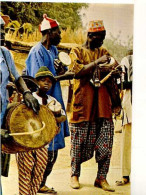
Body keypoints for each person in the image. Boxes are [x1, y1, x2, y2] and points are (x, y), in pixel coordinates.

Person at [68, 20, 120, 192]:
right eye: (100, 37)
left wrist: (114, 69)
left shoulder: (103, 51)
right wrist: (98, 63)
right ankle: (74, 175)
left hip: (103, 106)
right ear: (90, 36)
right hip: (83, 106)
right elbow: (77, 71)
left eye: (104, 37)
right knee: (78, 143)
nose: (102, 41)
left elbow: (115, 66)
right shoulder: (76, 51)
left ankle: (101, 178)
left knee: (106, 142)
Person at [25, 14, 70, 193]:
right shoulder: (37, 51)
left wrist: (61, 71)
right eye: (58, 32)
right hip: (41, 106)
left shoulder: (53, 51)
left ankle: (40, 183)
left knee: (53, 149)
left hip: (54, 103)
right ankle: (36, 184)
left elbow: (58, 70)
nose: (60, 35)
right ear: (49, 32)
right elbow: (39, 82)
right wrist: (63, 76)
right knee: (43, 149)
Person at [0, 15, 40, 194]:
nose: (2, 35)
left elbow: (16, 77)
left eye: (3, 31)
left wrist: (27, 93)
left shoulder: (4, 53)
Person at [116, 50, 133, 186]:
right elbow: (120, 83)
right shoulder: (127, 60)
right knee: (127, 142)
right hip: (131, 107)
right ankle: (125, 175)